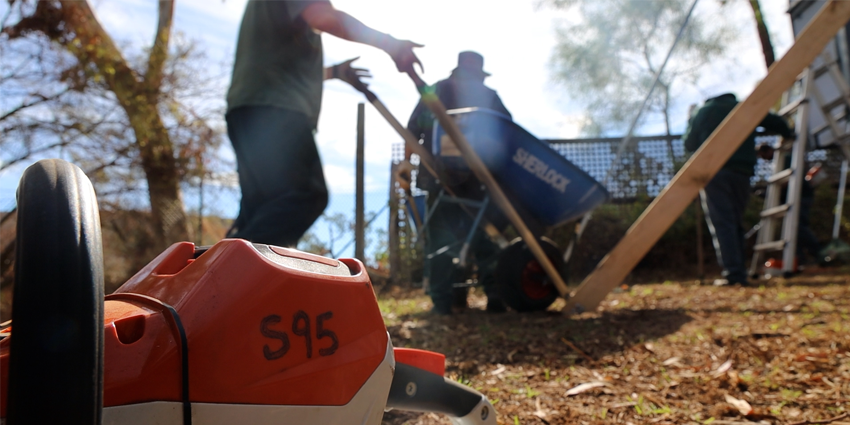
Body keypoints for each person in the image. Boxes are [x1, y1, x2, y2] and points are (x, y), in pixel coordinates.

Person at [225, 0, 423, 247]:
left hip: (247, 109)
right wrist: (389, 43)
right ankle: (233, 273)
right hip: (276, 110)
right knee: (305, 196)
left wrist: (334, 73)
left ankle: (217, 278)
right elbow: (323, 18)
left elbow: (279, 59)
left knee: (261, 211)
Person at [405, 51, 511, 315]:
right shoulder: (477, 95)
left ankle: (447, 301)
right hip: (458, 176)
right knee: (472, 233)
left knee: (449, 238)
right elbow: (414, 128)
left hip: (464, 177)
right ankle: (471, 297)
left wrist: (406, 163)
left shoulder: (448, 92)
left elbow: (412, 130)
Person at [684, 93, 794, 286]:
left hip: (714, 172)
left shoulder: (703, 111)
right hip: (742, 171)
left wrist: (689, 119)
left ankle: (734, 273)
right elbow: (775, 122)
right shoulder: (743, 106)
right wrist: (788, 133)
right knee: (735, 221)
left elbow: (689, 143)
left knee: (723, 223)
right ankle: (739, 270)